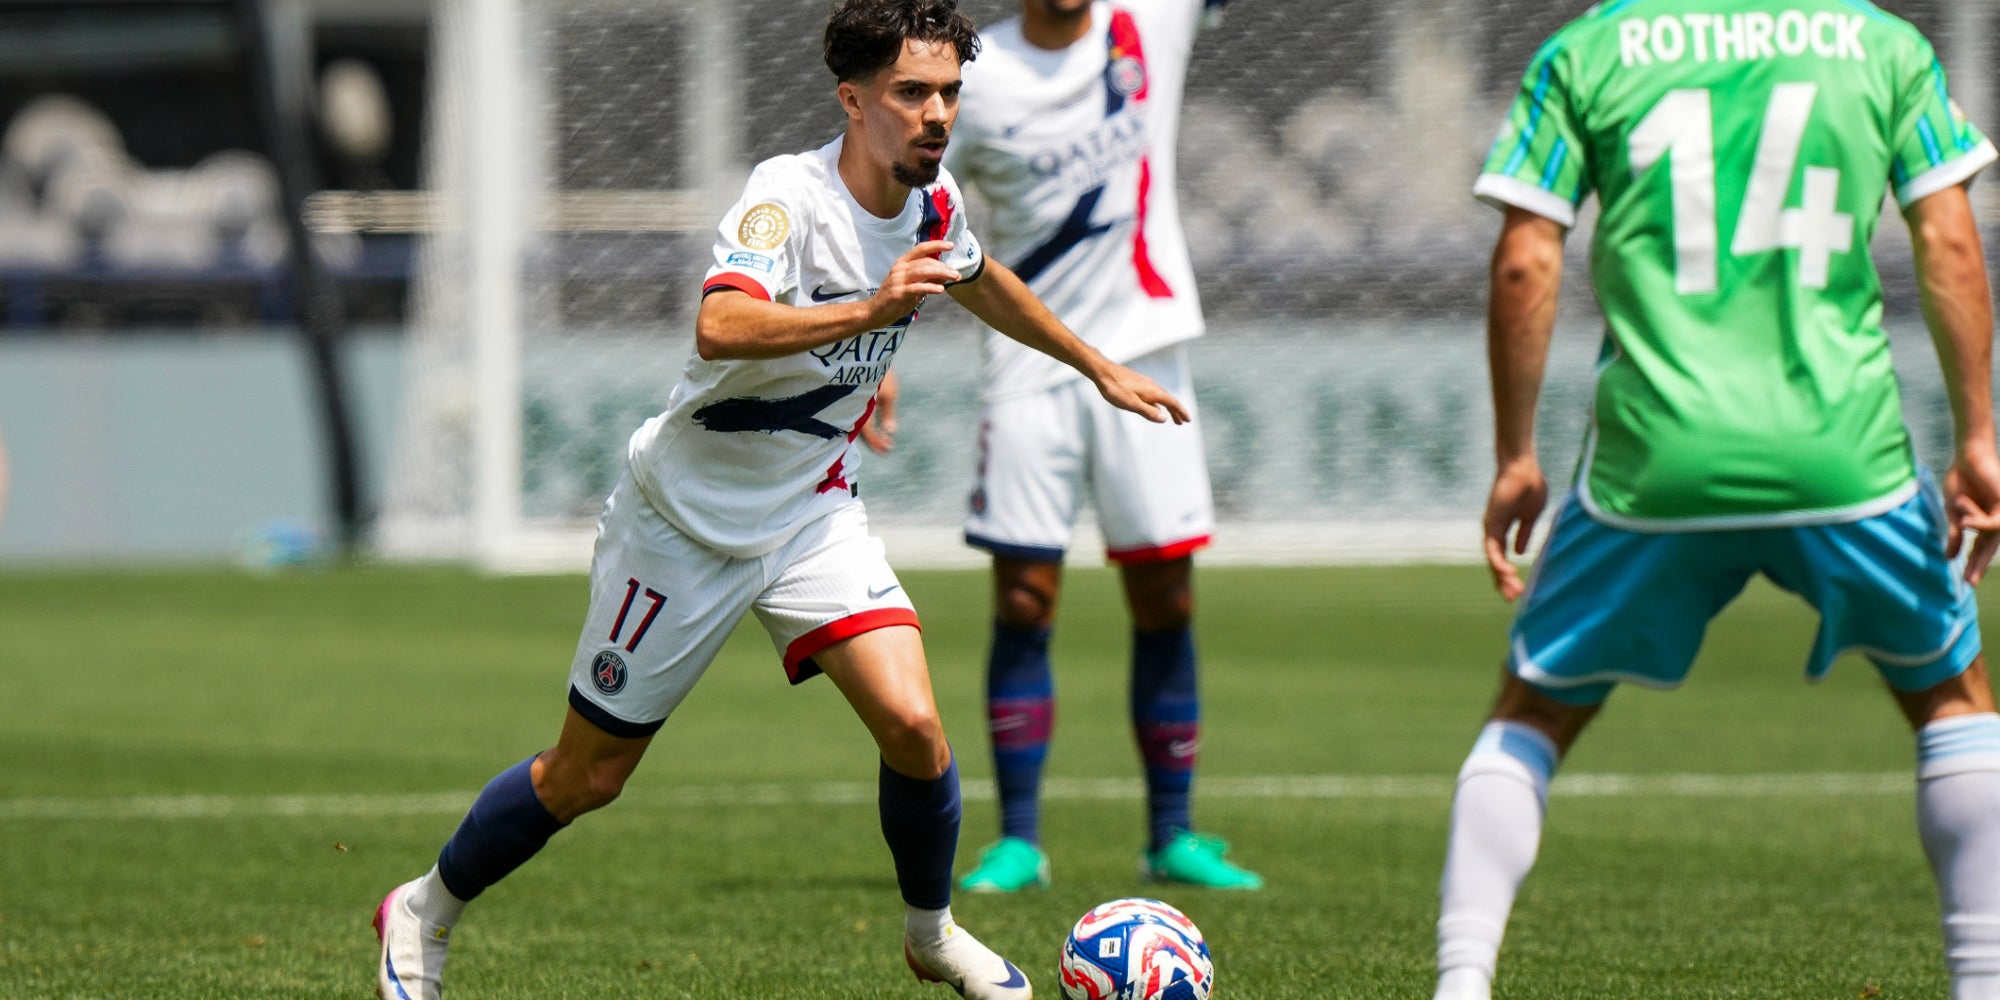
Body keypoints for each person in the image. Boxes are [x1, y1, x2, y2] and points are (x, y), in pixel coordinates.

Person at [370, 3, 1192, 999]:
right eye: (910, 93)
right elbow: (720, 324)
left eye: (948, 94)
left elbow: (977, 280)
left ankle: (930, 933)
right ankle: (423, 909)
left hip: (809, 514)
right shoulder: (784, 196)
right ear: (852, 99)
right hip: (681, 524)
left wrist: (1095, 364)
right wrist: (868, 314)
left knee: (914, 727)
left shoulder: (933, 203)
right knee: (585, 777)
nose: (937, 115)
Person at [1434, 2, 2000, 998]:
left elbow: (1526, 257)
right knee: (1949, 694)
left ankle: (1460, 982)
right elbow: (1947, 242)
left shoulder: (1589, 48)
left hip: (1654, 463)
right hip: (1844, 456)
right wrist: (1977, 438)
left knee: (1532, 711)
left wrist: (1515, 455)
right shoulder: (1877, 43)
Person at [916, 0, 1260, 895]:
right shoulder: (973, 79)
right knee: (1026, 598)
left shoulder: (1152, 19)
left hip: (1145, 346)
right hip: (1030, 364)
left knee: (1165, 595)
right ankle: (1020, 841)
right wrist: (876, 331)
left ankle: (1172, 834)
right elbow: (900, 192)